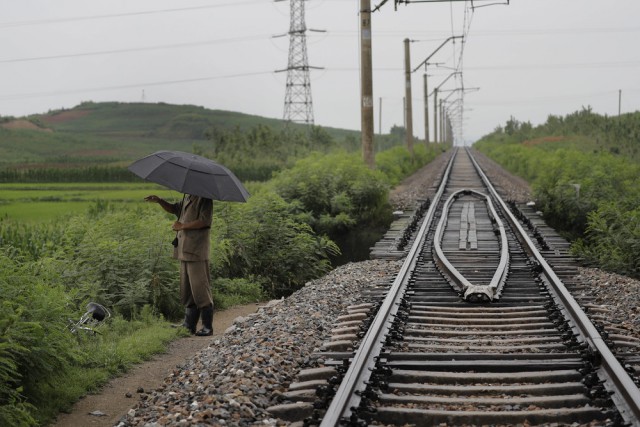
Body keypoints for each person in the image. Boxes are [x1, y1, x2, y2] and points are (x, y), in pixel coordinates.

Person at [145, 193, 214, 336]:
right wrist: (159, 200)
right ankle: (189, 325)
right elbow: (174, 209)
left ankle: (207, 326)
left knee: (200, 287)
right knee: (187, 289)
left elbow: (205, 221)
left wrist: (182, 225)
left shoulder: (205, 198)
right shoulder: (188, 197)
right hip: (184, 250)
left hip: (196, 251)